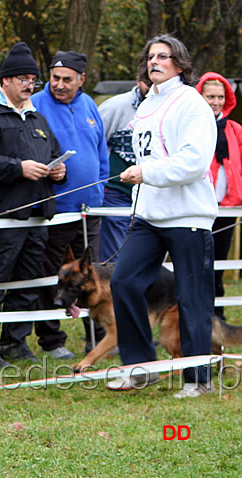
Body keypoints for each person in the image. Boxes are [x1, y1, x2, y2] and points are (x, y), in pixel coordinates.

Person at [107, 34, 217, 398]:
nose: (154, 61)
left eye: (163, 56)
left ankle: (197, 379)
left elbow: (194, 161)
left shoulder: (192, 104)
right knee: (123, 282)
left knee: (192, 298)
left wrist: (147, 172)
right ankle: (142, 367)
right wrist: (141, 178)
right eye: (150, 56)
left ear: (180, 64)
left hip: (187, 215)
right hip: (149, 216)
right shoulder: (145, 105)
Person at [0, 42, 66, 368]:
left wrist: (59, 171)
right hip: (3, 214)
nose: (28, 84)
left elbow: (52, 152)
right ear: (5, 80)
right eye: (22, 77)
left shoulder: (37, 116)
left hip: (38, 213)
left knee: (27, 283)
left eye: (32, 79)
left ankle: (15, 341)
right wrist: (17, 168)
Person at [32, 50, 109, 356]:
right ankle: (51, 339)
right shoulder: (36, 103)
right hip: (57, 211)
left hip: (90, 210)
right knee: (54, 275)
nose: (60, 85)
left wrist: (99, 190)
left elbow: (100, 152)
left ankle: (97, 334)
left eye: (67, 79)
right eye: (54, 78)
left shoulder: (89, 104)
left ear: (81, 80)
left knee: (94, 275)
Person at [196, 72, 242, 321]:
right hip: (198, 205)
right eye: (210, 96)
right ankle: (191, 316)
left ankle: (217, 318)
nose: (215, 101)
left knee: (219, 265)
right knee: (196, 265)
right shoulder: (193, 127)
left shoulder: (235, 130)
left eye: (220, 97)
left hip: (227, 207)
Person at [97, 76, 150, 262]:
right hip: (117, 193)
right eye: (147, 82)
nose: (152, 87)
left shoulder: (172, 108)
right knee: (114, 258)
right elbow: (95, 143)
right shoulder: (115, 107)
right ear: (138, 80)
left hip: (151, 195)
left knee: (144, 258)